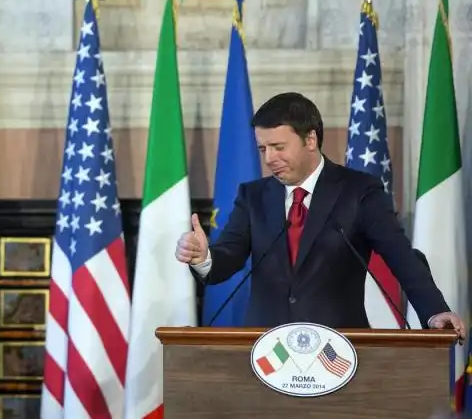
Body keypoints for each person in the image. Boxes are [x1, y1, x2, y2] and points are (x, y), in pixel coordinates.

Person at [175, 92, 464, 338]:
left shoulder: (359, 191)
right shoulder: (252, 196)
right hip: (267, 350)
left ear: (310, 139)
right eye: (262, 148)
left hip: (338, 349)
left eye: (278, 147)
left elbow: (401, 257)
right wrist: (204, 258)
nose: (268, 159)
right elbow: (230, 254)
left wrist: (434, 310)